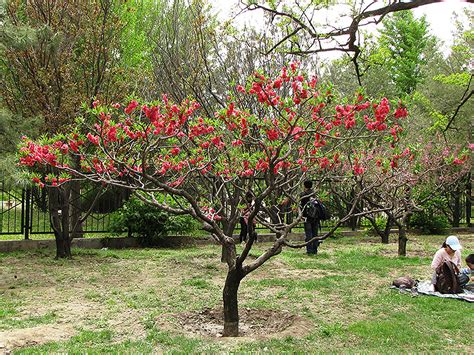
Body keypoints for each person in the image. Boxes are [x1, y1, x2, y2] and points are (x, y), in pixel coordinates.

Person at [300, 180, 320, 255]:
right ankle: (315, 250)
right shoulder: (314, 193)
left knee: (309, 234)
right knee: (315, 233)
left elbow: (301, 205)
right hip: (315, 216)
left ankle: (309, 250)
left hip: (307, 216)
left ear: (304, 186)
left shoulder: (303, 194)